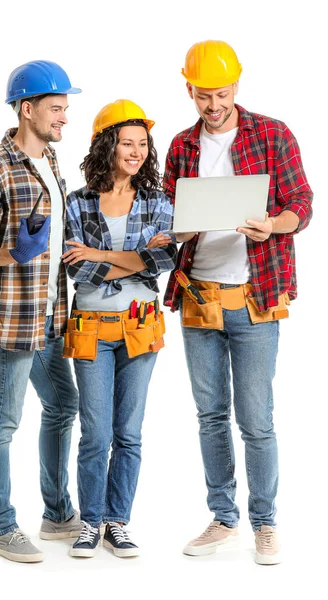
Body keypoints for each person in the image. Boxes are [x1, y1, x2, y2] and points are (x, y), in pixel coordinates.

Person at [163, 40, 313, 565]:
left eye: (221, 94)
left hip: (256, 296)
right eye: (203, 96)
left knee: (257, 420)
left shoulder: (272, 133)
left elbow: (302, 205)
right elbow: (167, 217)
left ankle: (265, 523)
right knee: (209, 416)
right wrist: (175, 229)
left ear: (237, 87)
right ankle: (223, 518)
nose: (212, 105)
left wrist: (272, 225)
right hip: (198, 296)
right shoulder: (182, 145)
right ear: (190, 90)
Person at [0, 60, 82, 563]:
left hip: (49, 314)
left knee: (63, 405)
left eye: (66, 108)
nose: (64, 117)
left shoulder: (50, 160)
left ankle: (56, 514)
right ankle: (1, 527)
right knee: (2, 421)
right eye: (56, 108)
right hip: (11, 319)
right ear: (27, 109)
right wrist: (10, 254)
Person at [62, 99, 177, 558]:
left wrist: (101, 254)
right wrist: (134, 260)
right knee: (96, 433)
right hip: (90, 325)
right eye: (127, 143)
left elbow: (163, 262)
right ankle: (90, 521)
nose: (136, 152)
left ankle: (117, 520)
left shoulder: (158, 202)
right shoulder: (77, 202)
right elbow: (78, 273)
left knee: (129, 432)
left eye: (143, 144)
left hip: (140, 326)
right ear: (106, 145)